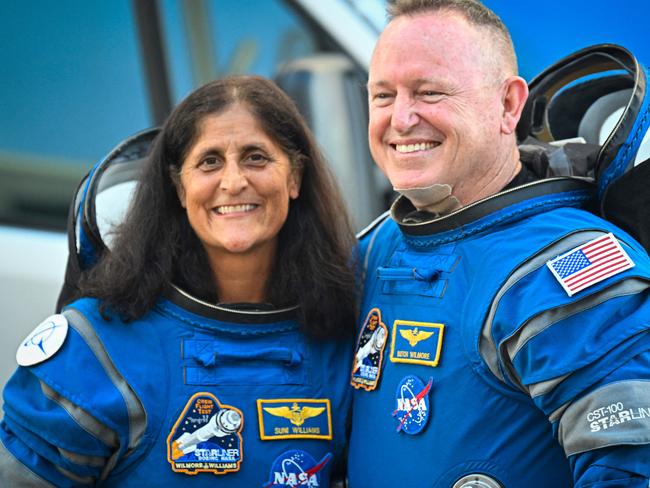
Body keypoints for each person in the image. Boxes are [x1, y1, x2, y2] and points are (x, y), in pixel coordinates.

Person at [348, 1, 650, 486]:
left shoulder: (567, 267)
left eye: (429, 92)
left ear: (509, 104)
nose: (401, 119)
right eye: (383, 95)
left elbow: (631, 472)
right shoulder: (382, 243)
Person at [0, 76, 356, 487]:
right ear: (179, 188)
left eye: (256, 157)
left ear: (294, 178)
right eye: (209, 161)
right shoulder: (98, 349)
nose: (234, 181)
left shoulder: (340, 339)